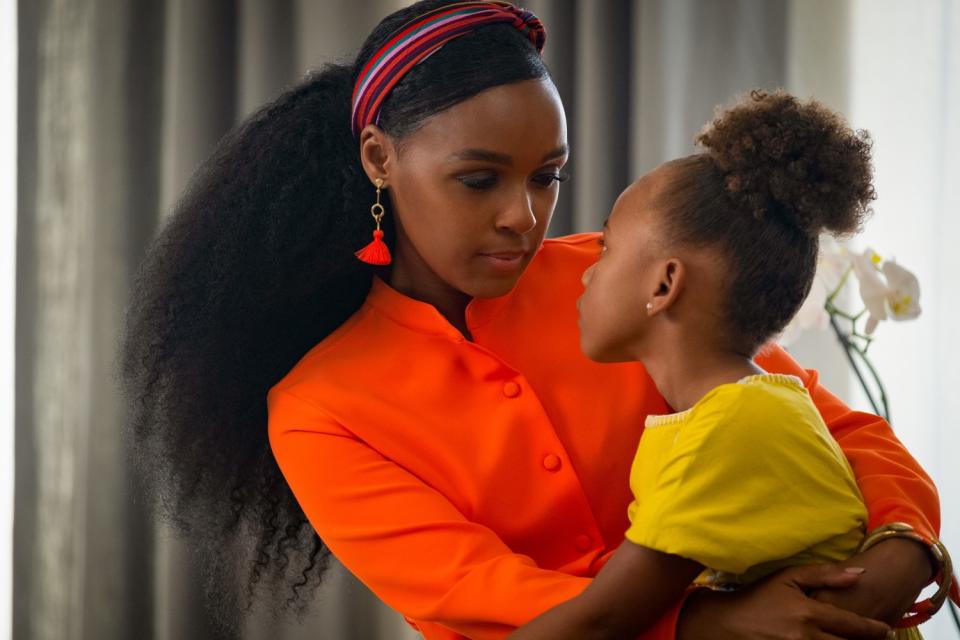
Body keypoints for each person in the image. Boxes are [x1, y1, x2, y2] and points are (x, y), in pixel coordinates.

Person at [117, 1, 947, 639]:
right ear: (380, 158)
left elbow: (827, 430)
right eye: (479, 180)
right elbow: (486, 600)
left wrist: (903, 549)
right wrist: (713, 626)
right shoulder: (318, 410)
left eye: (548, 176)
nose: (525, 216)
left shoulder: (621, 278)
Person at [506, 90, 953, 640]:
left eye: (606, 249)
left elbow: (603, 620)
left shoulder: (731, 429)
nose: (585, 273)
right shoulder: (745, 406)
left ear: (665, 283)